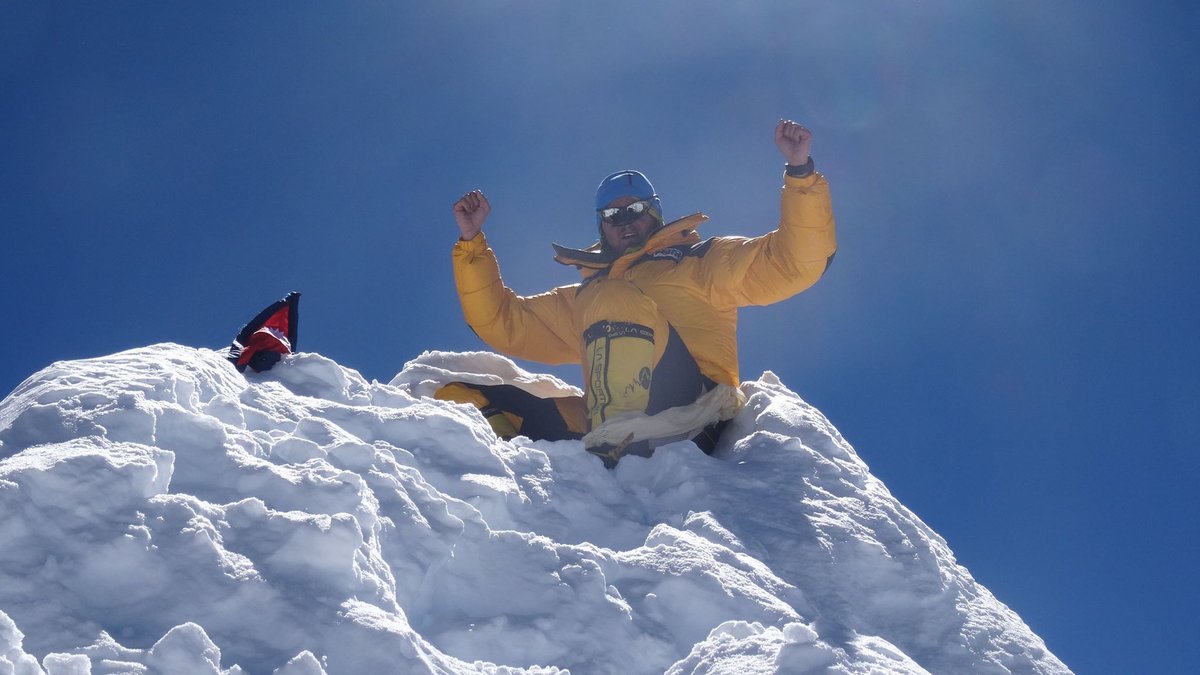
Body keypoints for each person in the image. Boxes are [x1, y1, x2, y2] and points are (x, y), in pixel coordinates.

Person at [442, 119, 837, 467]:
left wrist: (800, 174)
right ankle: (516, 474)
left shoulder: (701, 262)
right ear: (602, 228)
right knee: (464, 400)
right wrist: (472, 242)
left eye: (636, 209)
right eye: (613, 216)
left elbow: (794, 262)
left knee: (613, 298)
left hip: (692, 414)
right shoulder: (590, 296)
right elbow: (501, 322)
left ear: (656, 213)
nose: (626, 221)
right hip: (618, 420)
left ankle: (615, 451)